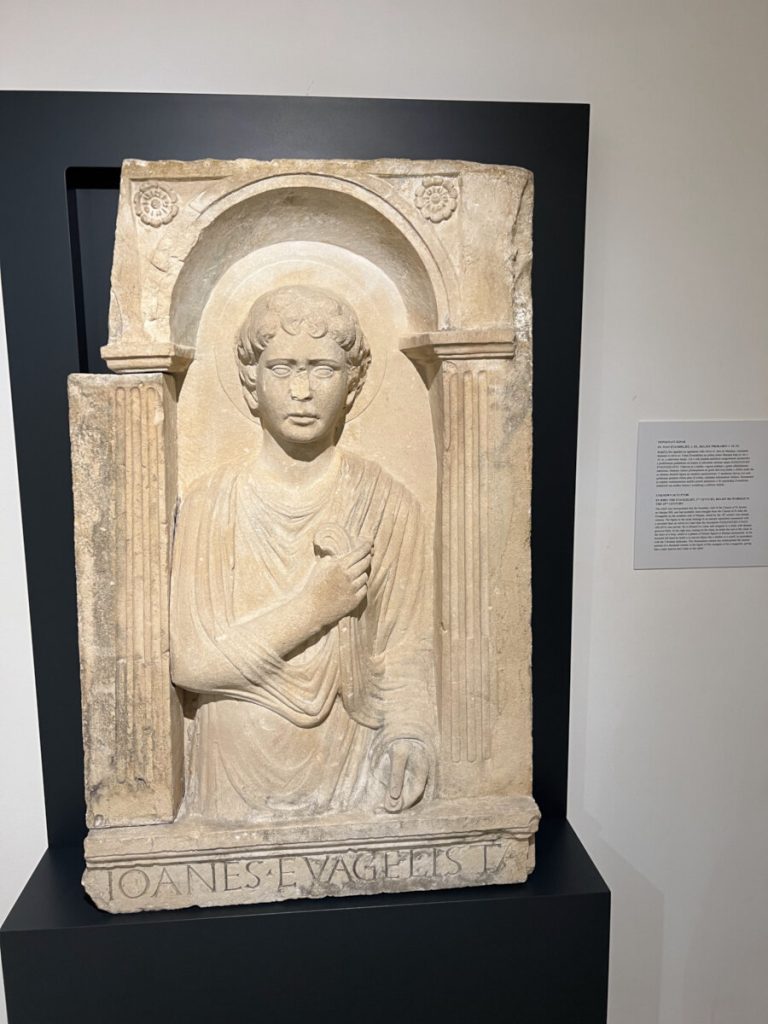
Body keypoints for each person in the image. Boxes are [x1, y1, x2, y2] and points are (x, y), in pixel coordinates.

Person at [170, 285, 436, 822]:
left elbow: (406, 648)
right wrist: (313, 606)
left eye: (323, 369)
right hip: (235, 761)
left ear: (352, 383)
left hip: (351, 754)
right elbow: (192, 663)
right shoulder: (211, 503)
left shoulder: (388, 504)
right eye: (282, 368)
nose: (302, 392)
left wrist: (409, 734)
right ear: (251, 383)